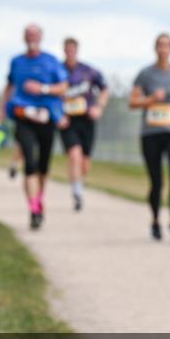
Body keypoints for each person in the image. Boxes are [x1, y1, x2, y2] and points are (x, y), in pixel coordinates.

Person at [0, 23, 69, 230]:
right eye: (28, 34)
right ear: (23, 38)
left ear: (41, 37)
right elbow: (10, 86)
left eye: (35, 34)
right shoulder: (16, 62)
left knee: (43, 166)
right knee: (29, 162)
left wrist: (43, 88)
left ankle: (39, 198)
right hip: (23, 117)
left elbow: (63, 87)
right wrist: (3, 112)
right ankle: (33, 208)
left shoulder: (51, 61)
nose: (32, 37)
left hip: (46, 117)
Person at [129, 32, 170, 242]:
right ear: (155, 48)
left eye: (167, 46)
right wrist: (150, 99)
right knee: (156, 181)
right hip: (151, 133)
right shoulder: (146, 74)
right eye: (160, 45)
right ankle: (155, 220)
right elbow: (133, 102)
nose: (163, 49)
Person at [59, 37, 109, 211]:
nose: (70, 53)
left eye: (73, 49)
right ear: (64, 51)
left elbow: (104, 88)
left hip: (86, 119)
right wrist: (57, 114)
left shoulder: (88, 71)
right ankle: (77, 191)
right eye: (67, 50)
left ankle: (80, 181)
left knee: (85, 161)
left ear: (77, 50)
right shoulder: (58, 71)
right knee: (74, 154)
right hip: (67, 120)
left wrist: (99, 107)